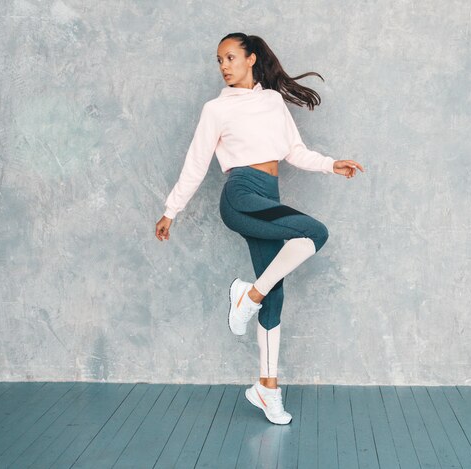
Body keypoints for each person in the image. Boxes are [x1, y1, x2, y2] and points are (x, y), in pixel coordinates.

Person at [155, 32, 364, 425]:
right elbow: (196, 164)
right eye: (219, 60)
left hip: (267, 195)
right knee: (314, 232)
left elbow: (293, 152)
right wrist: (171, 210)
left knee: (275, 294)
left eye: (230, 57)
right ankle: (247, 296)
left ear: (251, 59)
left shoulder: (271, 101)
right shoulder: (216, 109)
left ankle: (267, 388)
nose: (224, 66)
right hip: (240, 196)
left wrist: (331, 163)